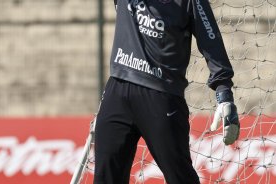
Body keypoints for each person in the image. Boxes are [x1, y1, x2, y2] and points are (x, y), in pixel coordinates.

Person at [93, 0, 240, 183]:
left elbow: (212, 44)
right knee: (105, 177)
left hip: (162, 99)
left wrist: (224, 94)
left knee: (179, 177)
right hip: (118, 91)